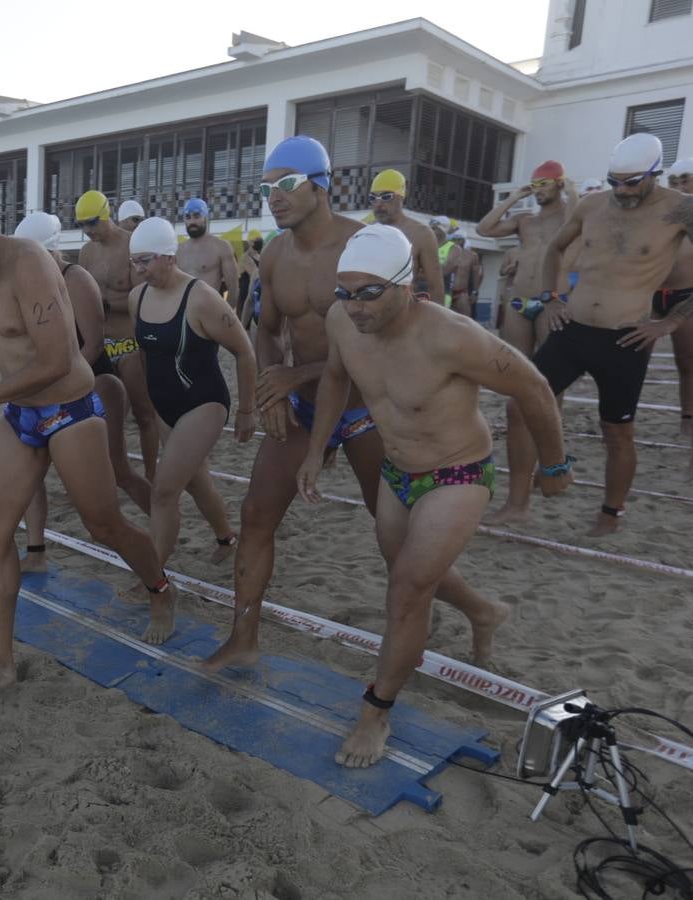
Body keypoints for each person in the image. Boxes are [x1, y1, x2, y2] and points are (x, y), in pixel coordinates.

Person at [202, 136, 496, 672]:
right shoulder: (273, 255)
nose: (275, 197)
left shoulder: (367, 246)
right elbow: (267, 331)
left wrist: (301, 372)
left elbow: (391, 340)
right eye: (266, 188)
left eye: (287, 184)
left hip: (367, 408)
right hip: (304, 407)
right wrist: (273, 382)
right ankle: (243, 638)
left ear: (321, 186)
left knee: (399, 547)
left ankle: (478, 609)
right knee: (256, 515)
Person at [295, 224, 571, 768]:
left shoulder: (452, 336)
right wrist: (315, 449)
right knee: (412, 573)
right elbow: (333, 380)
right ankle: (482, 611)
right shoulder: (341, 321)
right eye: (344, 292)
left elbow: (533, 387)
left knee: (407, 588)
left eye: (369, 292)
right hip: (397, 473)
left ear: (406, 285)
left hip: (457, 474)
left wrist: (555, 464)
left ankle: (376, 711)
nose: (355, 306)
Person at [0, 191, 176, 700]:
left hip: (69, 409)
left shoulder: (29, 262)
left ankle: (162, 589)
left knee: (103, 525)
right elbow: (13, 339)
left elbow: (60, 358)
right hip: (23, 413)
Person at [492, 134, 693, 534]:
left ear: (655, 175)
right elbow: (554, 249)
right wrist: (550, 297)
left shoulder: (680, 210)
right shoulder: (592, 204)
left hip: (626, 339)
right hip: (573, 327)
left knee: (617, 432)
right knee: (520, 406)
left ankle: (610, 513)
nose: (622, 190)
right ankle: (517, 504)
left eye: (632, 182)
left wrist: (670, 321)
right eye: (614, 181)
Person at [9, 211, 152, 574]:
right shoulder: (30, 281)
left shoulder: (76, 280)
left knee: (120, 471)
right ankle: (37, 551)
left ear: (51, 251)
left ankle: (165, 522)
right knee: (30, 472)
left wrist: (56, 381)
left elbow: (92, 346)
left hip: (94, 383)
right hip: (51, 386)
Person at [128, 217, 255, 575]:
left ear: (169, 256)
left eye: (145, 261)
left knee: (164, 492)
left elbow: (245, 352)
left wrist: (247, 410)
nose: (138, 271)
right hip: (165, 406)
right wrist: (149, 404)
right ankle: (228, 539)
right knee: (197, 484)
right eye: (134, 262)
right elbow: (145, 355)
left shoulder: (201, 299)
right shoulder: (137, 297)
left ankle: (154, 581)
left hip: (204, 403)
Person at [75, 189, 160, 483]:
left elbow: (140, 297)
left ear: (107, 215)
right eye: (82, 225)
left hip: (129, 344)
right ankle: (111, 472)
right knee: (102, 417)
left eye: (92, 223)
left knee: (144, 413)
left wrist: (103, 304)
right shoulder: (86, 252)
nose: (88, 231)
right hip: (99, 345)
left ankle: (150, 474)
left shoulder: (131, 246)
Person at [477, 163, 577, 360]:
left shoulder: (567, 217)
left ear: (559, 184)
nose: (537, 189)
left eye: (543, 183)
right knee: (518, 366)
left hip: (553, 300)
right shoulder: (524, 220)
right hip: (519, 300)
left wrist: (572, 193)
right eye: (534, 185)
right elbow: (484, 229)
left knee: (552, 369)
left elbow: (574, 224)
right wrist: (514, 198)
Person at [656, 157, 693, 453]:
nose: (680, 185)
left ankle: (688, 417)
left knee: (687, 363)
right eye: (674, 180)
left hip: (686, 294)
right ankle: (621, 413)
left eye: (686, 179)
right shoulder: (661, 214)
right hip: (652, 293)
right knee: (628, 355)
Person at [368, 169, 444, 301]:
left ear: (401, 197)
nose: (378, 204)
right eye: (373, 198)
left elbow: (435, 287)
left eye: (386, 197)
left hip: (405, 314)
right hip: (371, 313)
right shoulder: (366, 232)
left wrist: (438, 321)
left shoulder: (421, 234)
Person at [176, 198, 240, 310]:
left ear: (205, 218)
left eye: (196, 216)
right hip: (182, 313)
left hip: (209, 311)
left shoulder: (221, 247)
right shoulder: (178, 250)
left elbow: (233, 288)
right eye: (188, 217)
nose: (192, 222)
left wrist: (225, 318)